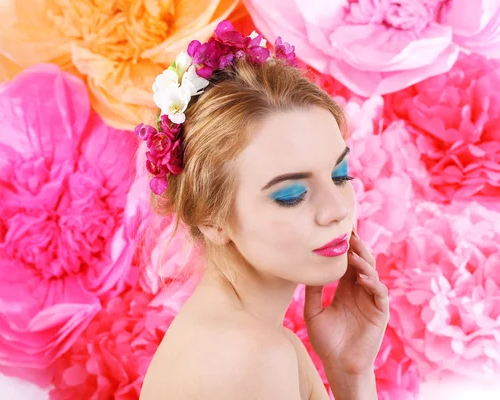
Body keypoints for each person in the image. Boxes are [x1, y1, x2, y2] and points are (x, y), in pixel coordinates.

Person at [137, 20, 390, 400]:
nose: (337, 209)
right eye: (291, 195)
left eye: (339, 175)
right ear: (211, 218)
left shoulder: (258, 341)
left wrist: (349, 369)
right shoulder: (250, 356)